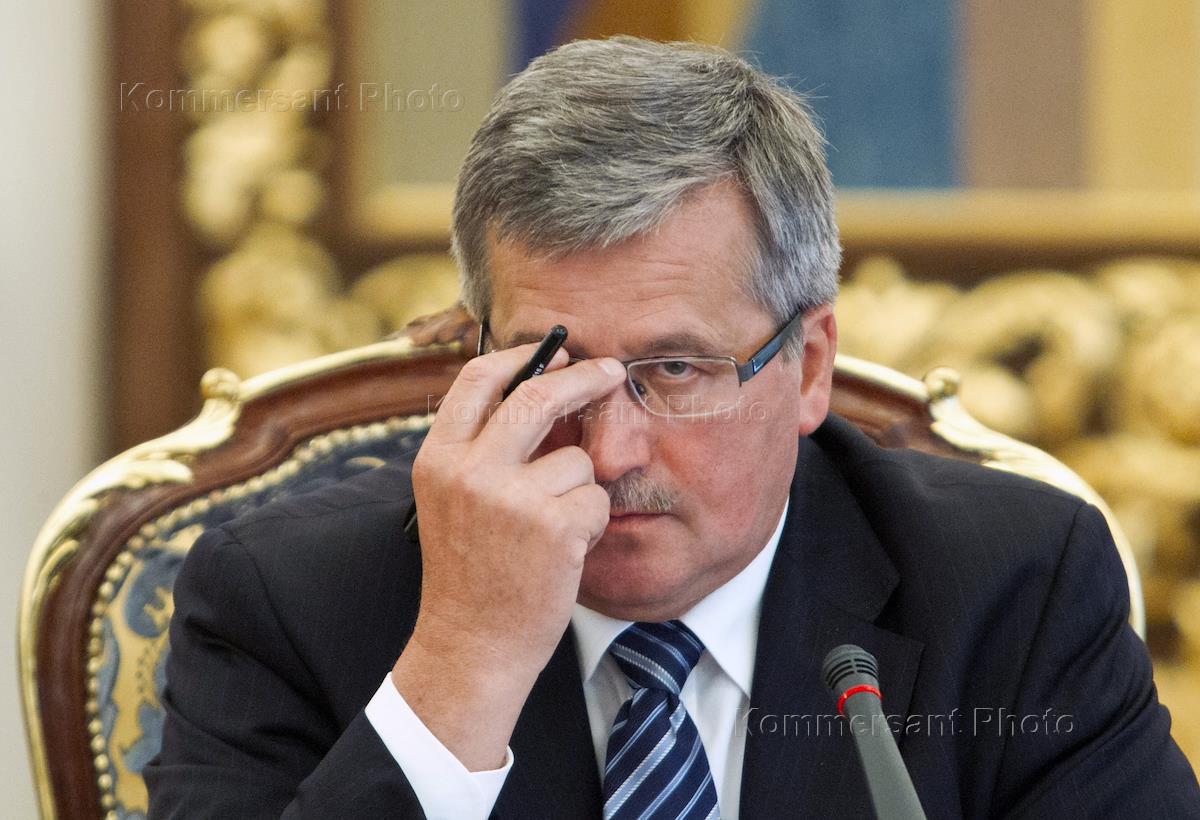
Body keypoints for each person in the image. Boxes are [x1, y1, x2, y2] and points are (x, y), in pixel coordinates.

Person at [146, 37, 1200, 819]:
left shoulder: (1013, 586)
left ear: (809, 368)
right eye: (552, 371)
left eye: (678, 370)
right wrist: (463, 662)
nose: (609, 453)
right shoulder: (286, 600)